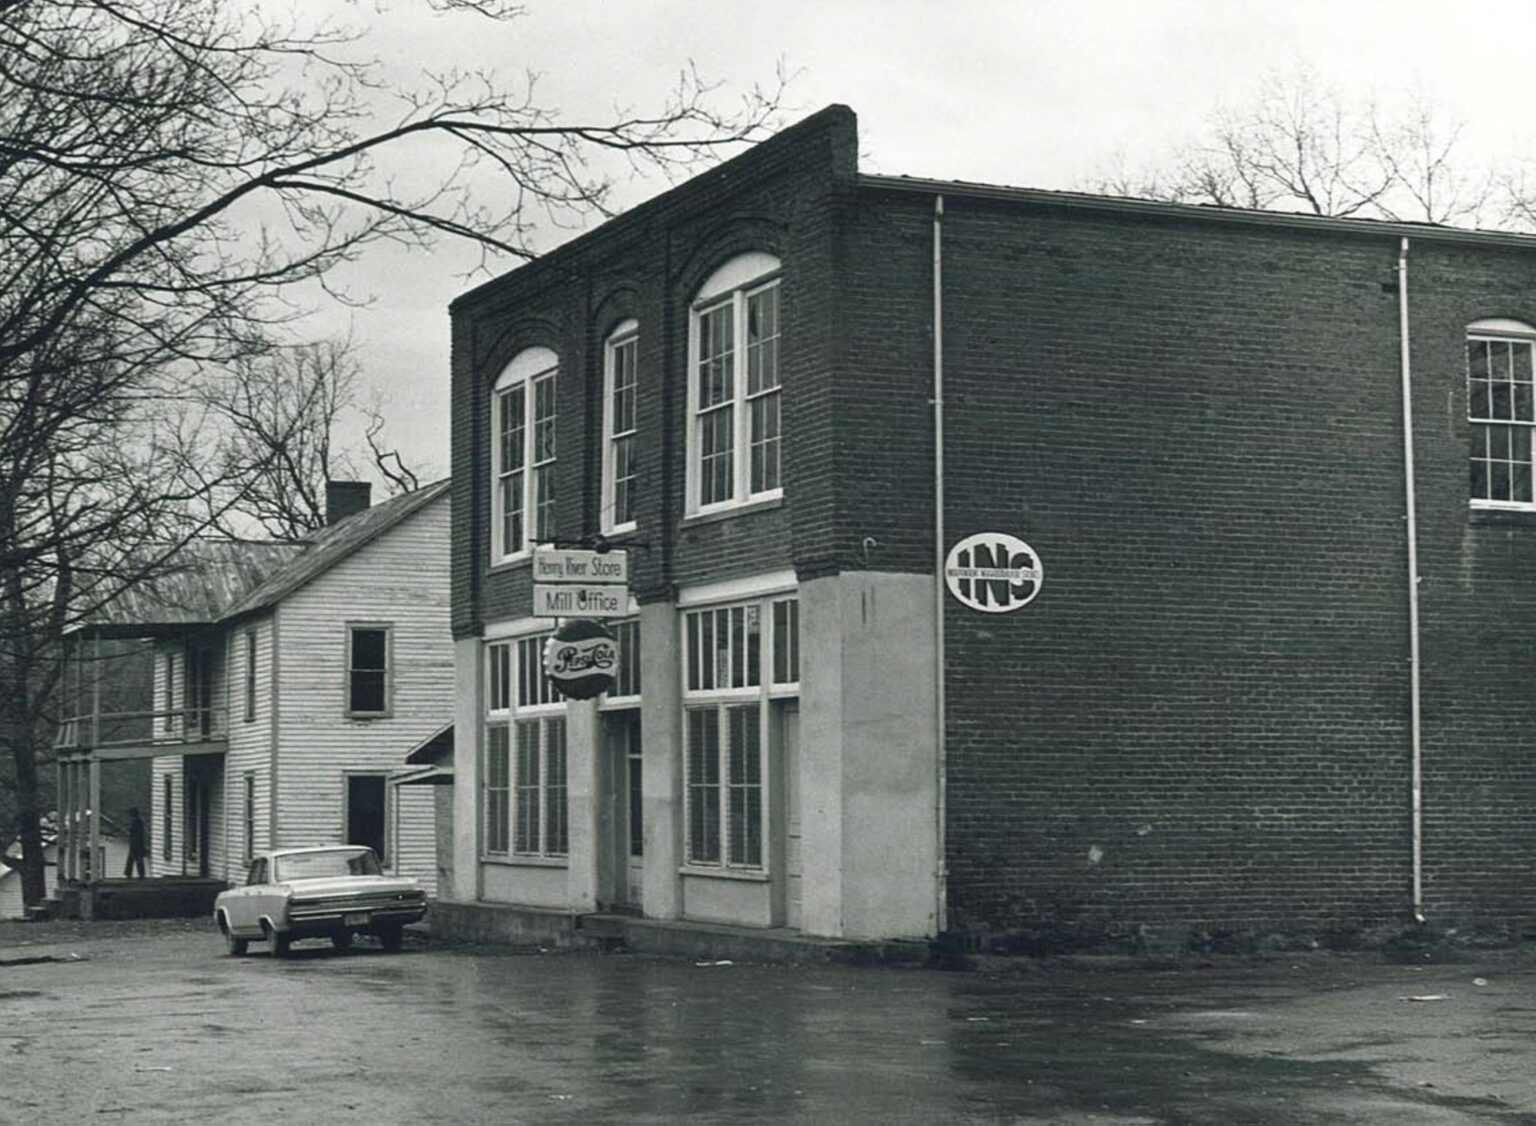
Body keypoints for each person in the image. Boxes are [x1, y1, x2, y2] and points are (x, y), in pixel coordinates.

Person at [124, 807, 148, 879]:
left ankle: (137, 873)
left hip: (135, 843)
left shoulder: (135, 822)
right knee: (134, 858)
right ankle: (133, 873)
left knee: (136, 859)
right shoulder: (138, 822)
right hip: (138, 843)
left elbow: (134, 833)